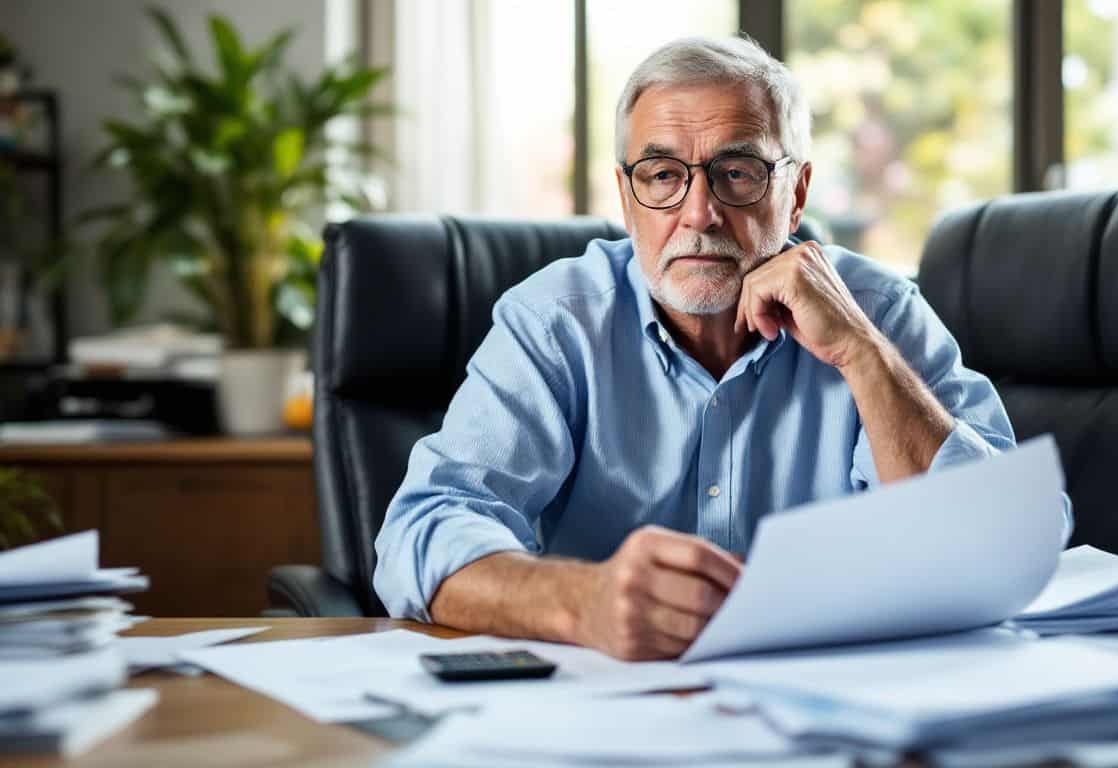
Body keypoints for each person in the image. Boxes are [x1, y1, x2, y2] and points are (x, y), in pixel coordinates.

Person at [374, 36, 1071, 660]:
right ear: (626, 196)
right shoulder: (556, 322)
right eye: (661, 174)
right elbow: (421, 533)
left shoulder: (879, 314)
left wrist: (863, 355)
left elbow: (1010, 544)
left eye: (737, 172)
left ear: (795, 194)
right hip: (606, 714)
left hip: (843, 709)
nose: (699, 211)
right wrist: (582, 602)